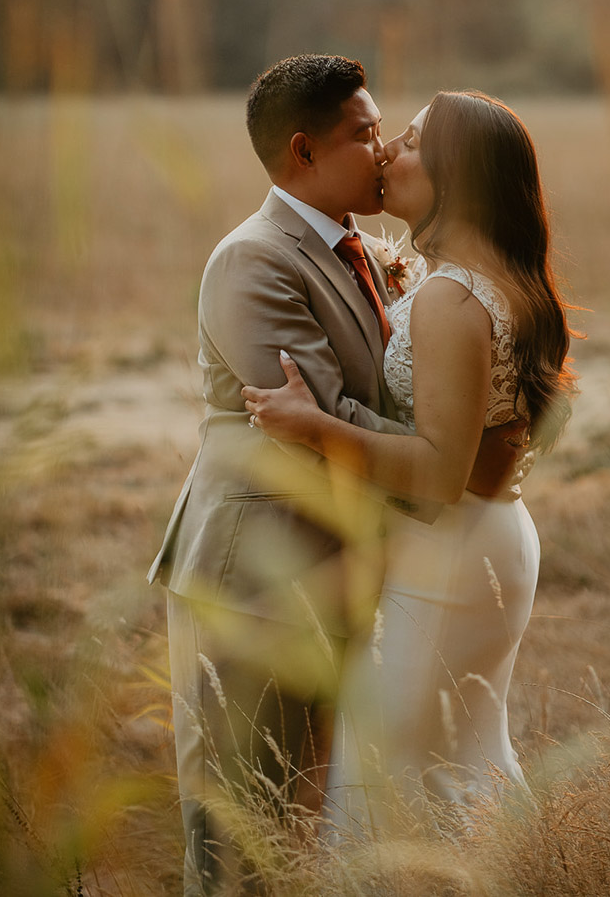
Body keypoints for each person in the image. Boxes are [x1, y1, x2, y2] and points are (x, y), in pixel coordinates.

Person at [148, 58, 519, 894]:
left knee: (314, 824)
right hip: (254, 584)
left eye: (385, 128)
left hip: (340, 578)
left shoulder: (361, 248)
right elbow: (311, 422)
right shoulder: (253, 260)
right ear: (304, 151)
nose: (383, 147)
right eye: (364, 133)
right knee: (241, 827)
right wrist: (452, 461)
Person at [243, 90, 574, 837]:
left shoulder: (452, 299)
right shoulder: (485, 281)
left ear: (458, 177)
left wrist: (313, 424)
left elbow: (434, 472)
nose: (388, 149)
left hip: (452, 550)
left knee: (383, 770)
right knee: (462, 757)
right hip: (490, 536)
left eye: (413, 141)